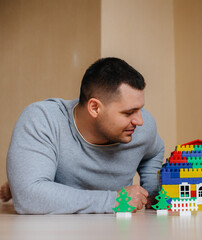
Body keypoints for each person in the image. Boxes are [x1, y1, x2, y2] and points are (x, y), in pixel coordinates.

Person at [2, 57, 164, 214]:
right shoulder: (43, 119)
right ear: (94, 108)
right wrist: (115, 200)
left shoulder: (141, 126)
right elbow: (30, 198)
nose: (139, 120)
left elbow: (155, 151)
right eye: (128, 112)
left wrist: (150, 190)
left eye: (140, 109)